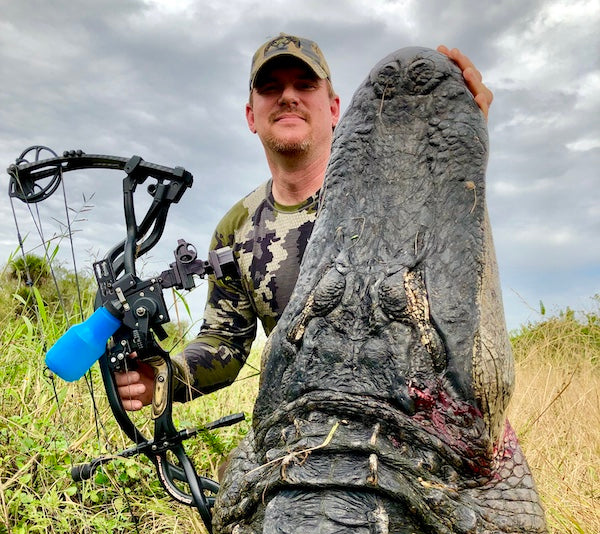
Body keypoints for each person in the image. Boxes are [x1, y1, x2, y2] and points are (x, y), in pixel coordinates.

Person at [116, 33, 493, 412]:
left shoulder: (398, 194)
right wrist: (165, 375)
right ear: (251, 116)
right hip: (299, 422)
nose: (288, 97)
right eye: (270, 88)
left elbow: (454, 223)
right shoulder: (236, 228)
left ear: (334, 109)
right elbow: (224, 341)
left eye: (305, 85)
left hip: (413, 417)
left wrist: (464, 124)